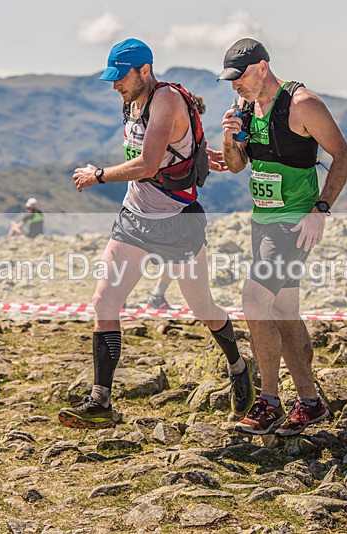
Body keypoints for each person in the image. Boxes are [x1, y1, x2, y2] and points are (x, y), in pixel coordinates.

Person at [60, 38, 255, 429]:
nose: (116, 85)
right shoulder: (132, 101)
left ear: (144, 71)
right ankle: (100, 401)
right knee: (104, 300)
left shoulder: (165, 100)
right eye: (112, 78)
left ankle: (238, 366)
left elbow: (149, 164)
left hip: (178, 221)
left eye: (121, 77)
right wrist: (194, 153)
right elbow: (163, 151)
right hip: (134, 217)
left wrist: (98, 174)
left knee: (203, 309)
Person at [219, 38, 347, 436]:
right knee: (282, 311)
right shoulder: (245, 108)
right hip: (263, 221)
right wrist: (229, 139)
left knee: (254, 298)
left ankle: (269, 401)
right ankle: (310, 402)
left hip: (294, 224)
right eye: (230, 80)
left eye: (240, 77)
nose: (235, 86)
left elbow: (343, 156)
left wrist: (320, 210)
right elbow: (236, 166)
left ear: (262, 68)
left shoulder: (303, 104)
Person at [144, 94, 207, 310]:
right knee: (155, 252)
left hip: (173, 202)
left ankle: (155, 295)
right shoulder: (168, 125)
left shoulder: (183, 127)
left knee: (173, 255)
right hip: (167, 202)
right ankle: (145, 295)